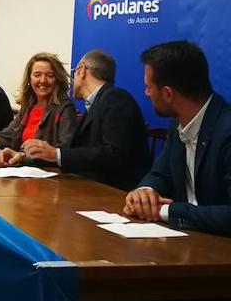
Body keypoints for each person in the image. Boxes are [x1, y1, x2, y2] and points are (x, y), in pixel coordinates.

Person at [123, 41, 231, 237]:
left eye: (148, 87)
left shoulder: (226, 129)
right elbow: (161, 174)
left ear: (168, 93)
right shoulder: (178, 122)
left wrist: (166, 211)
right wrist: (144, 193)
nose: (146, 93)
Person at [21, 50, 150, 191]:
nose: (73, 80)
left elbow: (114, 154)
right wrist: (23, 156)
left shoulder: (114, 98)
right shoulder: (96, 104)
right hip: (90, 187)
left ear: (81, 70)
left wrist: (56, 154)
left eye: (74, 73)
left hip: (113, 193)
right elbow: (74, 151)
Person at [0, 52, 77, 164]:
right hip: (22, 171)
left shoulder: (65, 108)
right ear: (29, 79)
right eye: (37, 75)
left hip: (50, 177)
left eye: (50, 75)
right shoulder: (29, 106)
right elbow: (9, 133)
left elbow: (65, 151)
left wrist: (22, 156)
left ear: (57, 79)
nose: (43, 80)